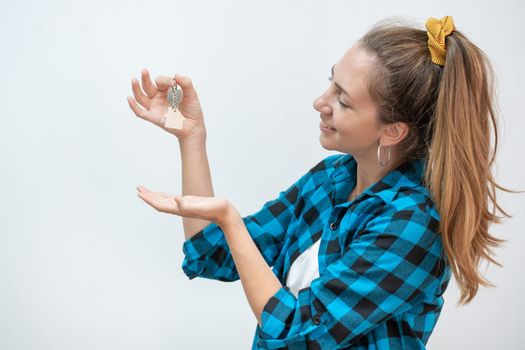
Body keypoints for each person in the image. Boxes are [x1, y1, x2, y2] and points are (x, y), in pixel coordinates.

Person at [127, 15, 517, 349]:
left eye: (343, 100)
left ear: (393, 131)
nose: (320, 101)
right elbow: (212, 253)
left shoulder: (414, 224)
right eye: (331, 81)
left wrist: (230, 219)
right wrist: (191, 137)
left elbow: (296, 333)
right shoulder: (331, 179)